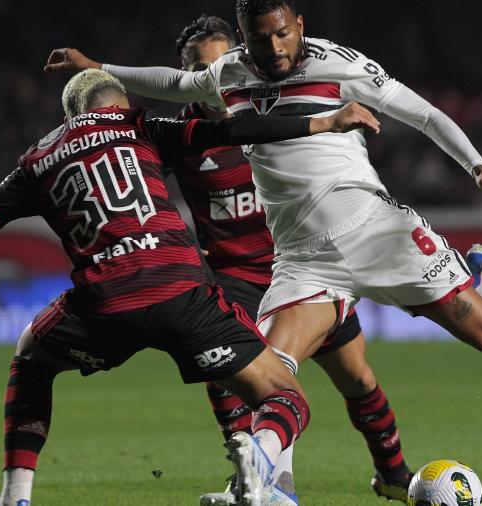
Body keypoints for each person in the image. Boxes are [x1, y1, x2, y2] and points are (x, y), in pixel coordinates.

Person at [45, 1, 482, 503]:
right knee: (269, 374)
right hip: (303, 260)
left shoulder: (340, 65)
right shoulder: (230, 74)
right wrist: (99, 69)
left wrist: (478, 167)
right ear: (246, 35)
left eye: (283, 34)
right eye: (262, 38)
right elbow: (173, 84)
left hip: (375, 232)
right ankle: (269, 484)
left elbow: (421, 113)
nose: (275, 47)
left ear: (299, 26)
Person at [0, 69, 380, 506]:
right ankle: (261, 454)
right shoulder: (140, 126)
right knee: (287, 397)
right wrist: (324, 121)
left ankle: (15, 494)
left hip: (104, 305)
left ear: (71, 115)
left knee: (30, 356)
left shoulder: (37, 160)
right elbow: (235, 130)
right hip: (182, 291)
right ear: (120, 102)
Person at [163, 15, 414, 505]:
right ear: (188, 74)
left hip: (302, 268)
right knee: (233, 374)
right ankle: (265, 486)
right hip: (235, 276)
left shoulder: (276, 113)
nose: (213, 77)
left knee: (358, 377)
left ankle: (393, 474)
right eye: (200, 68)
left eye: (219, 62)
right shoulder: (179, 136)